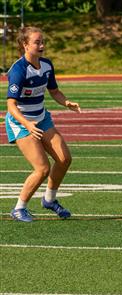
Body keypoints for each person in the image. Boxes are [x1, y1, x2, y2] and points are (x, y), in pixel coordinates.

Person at [5, 26, 81, 222]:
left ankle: (49, 200)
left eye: (42, 41)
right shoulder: (19, 70)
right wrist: (27, 125)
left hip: (42, 118)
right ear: (25, 45)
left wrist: (66, 102)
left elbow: (54, 91)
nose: (42, 45)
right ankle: (19, 208)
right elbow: (11, 105)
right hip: (20, 122)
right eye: (37, 42)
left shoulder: (46, 65)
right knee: (42, 168)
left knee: (64, 159)